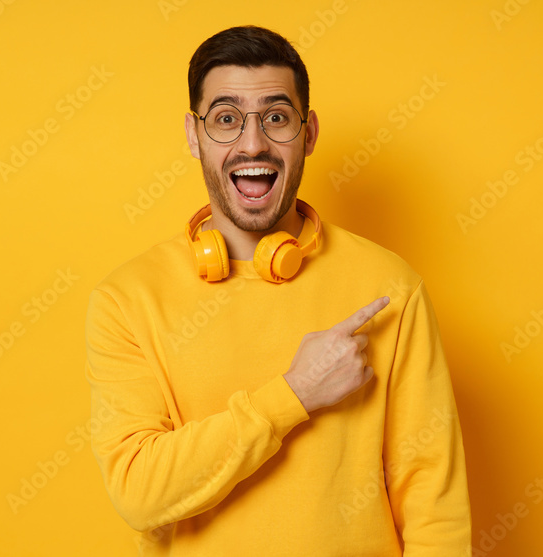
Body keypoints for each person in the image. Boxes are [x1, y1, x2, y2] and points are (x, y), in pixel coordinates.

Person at [84, 25, 470, 556]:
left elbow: (435, 506)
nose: (252, 143)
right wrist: (295, 393)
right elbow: (138, 493)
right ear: (194, 136)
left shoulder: (389, 287)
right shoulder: (127, 299)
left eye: (276, 117)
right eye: (225, 119)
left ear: (308, 133)